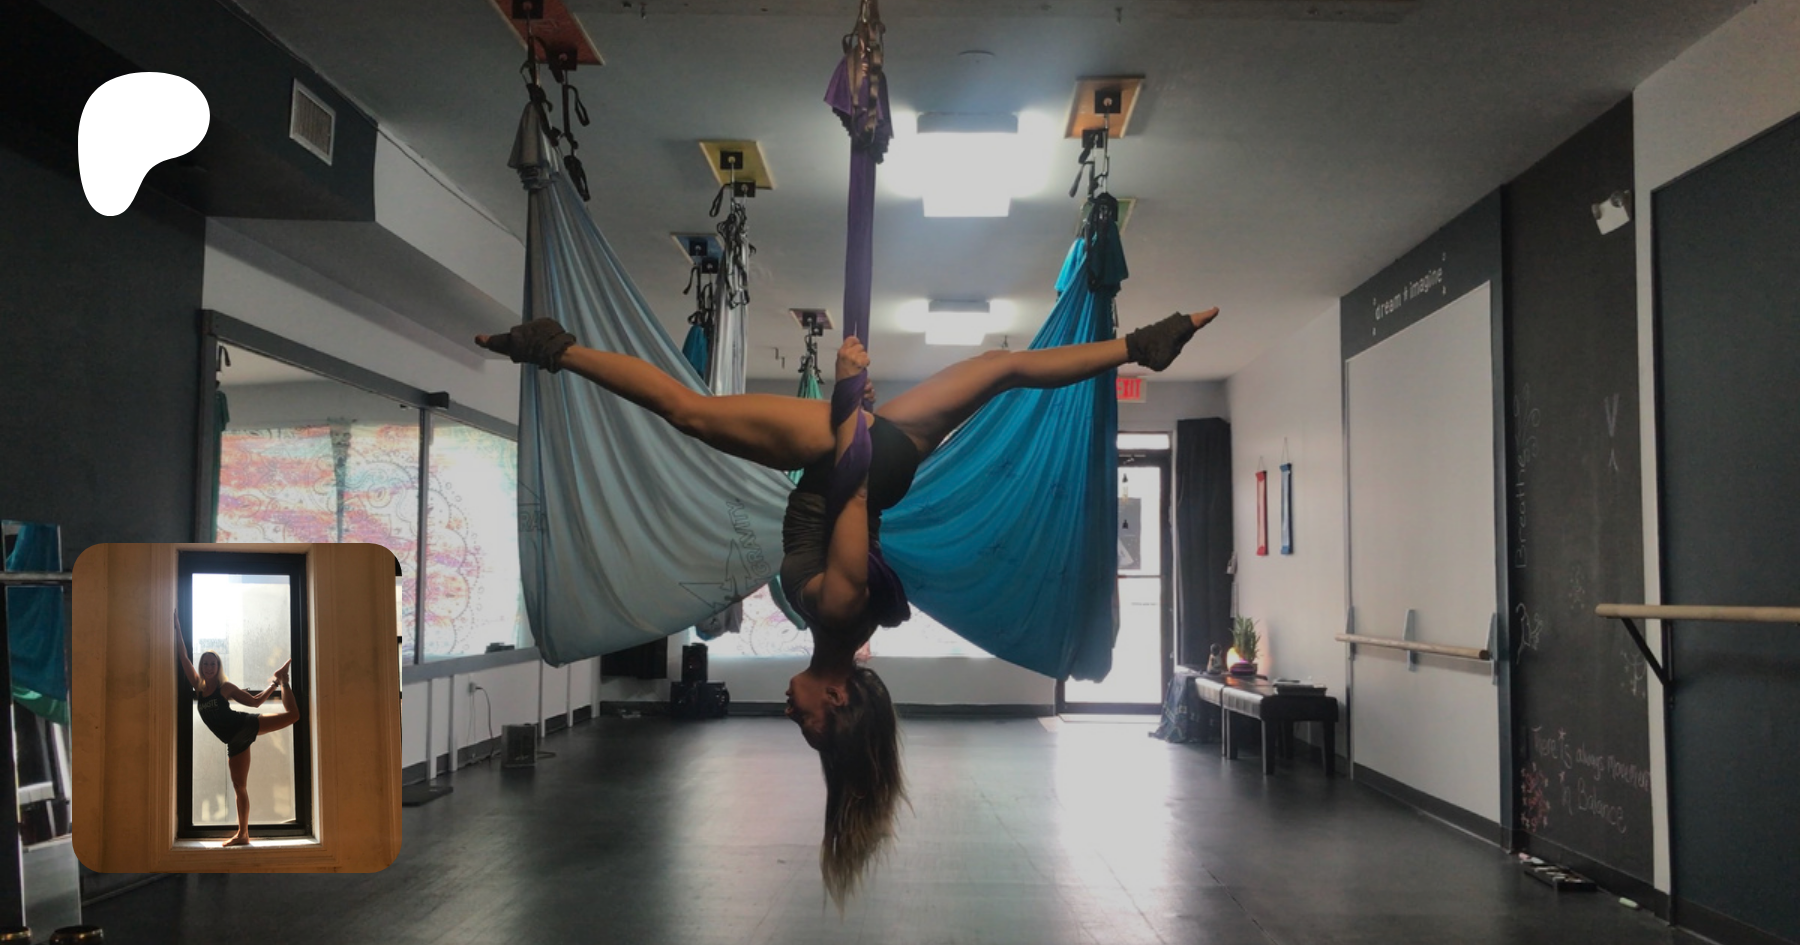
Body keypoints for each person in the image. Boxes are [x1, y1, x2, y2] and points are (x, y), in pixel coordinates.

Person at [477, 305, 1218, 900]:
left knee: (1002, 368)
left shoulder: (842, 628)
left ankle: (1142, 345)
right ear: (836, 699)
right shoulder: (837, 610)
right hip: (846, 461)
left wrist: (855, 414)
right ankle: (552, 348)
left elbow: (867, 494)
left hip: (886, 464)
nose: (791, 715)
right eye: (809, 724)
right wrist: (844, 404)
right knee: (687, 411)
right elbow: (853, 485)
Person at [172, 611, 301, 847]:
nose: (209, 667)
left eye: (213, 663)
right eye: (205, 663)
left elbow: (255, 702)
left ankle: (284, 680)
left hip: (245, 724)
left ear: (218, 666)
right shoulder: (199, 687)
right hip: (234, 741)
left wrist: (274, 683)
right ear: (201, 666)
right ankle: (243, 834)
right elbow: (183, 657)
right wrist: (178, 628)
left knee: (293, 716)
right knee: (239, 786)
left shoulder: (226, 687)